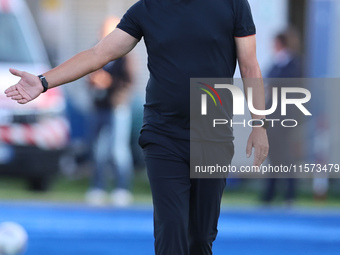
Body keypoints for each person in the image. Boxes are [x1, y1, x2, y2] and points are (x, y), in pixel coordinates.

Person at [5, 0, 268, 254]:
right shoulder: (148, 7)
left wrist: (258, 124)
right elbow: (99, 54)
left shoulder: (233, 4)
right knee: (171, 230)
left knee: (200, 237)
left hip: (213, 136)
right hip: (163, 135)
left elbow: (249, 65)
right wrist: (42, 81)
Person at [85, 17, 134, 207]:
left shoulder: (124, 54)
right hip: (98, 107)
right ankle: (97, 187)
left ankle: (122, 188)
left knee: (118, 150)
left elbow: (129, 82)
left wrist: (109, 83)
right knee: (97, 149)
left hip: (117, 108)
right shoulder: (94, 51)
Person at [261, 30, 302, 206]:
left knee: (285, 155)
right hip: (272, 114)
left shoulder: (293, 63)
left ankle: (290, 194)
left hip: (286, 115)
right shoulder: (276, 64)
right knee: (273, 155)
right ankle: (270, 194)